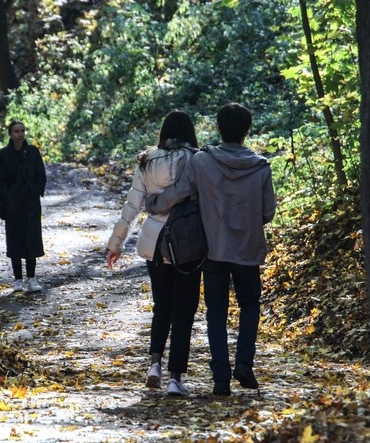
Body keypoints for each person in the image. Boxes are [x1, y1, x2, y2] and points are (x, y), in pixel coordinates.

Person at [146, 102, 276, 396]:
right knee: (249, 306)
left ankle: (220, 379)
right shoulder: (261, 166)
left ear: (219, 128)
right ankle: (244, 362)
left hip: (213, 250)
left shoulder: (203, 162)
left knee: (216, 313)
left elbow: (180, 192)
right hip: (248, 250)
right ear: (247, 131)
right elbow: (268, 212)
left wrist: (154, 205)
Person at [106, 110, 201, 397]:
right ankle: (175, 378)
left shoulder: (147, 160)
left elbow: (132, 205)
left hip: (155, 242)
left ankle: (154, 365)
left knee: (162, 305)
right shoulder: (196, 159)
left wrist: (116, 243)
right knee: (184, 310)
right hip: (187, 242)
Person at [0, 119, 47, 293]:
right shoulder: (4, 154)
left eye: (22, 131)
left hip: (31, 203)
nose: (20, 134)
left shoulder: (32, 152)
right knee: (15, 239)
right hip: (13, 205)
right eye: (16, 131)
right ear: (10, 134)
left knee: (32, 238)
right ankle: (17, 279)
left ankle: (31, 278)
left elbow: (41, 175)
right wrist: (7, 198)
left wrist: (35, 191)